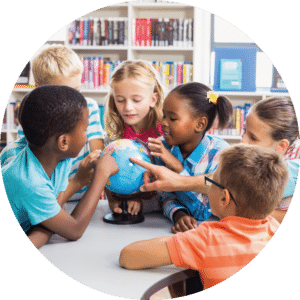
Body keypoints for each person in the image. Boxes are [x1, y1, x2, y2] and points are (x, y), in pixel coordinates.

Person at [120, 144, 288, 293]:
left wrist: (181, 241)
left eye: (211, 180)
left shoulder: (206, 239)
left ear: (224, 198)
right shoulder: (274, 228)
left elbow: (128, 257)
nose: (208, 184)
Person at [132, 96, 299, 224]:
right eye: (245, 132)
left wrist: (179, 180)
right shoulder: (259, 160)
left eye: (253, 138)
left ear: (281, 146)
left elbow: (230, 182)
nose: (243, 141)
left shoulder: (293, 169)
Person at [1, 85, 118, 249]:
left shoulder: (55, 156)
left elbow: (55, 204)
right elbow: (74, 230)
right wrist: (101, 175)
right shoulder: (29, 181)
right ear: (63, 142)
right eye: (85, 130)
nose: (87, 136)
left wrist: (78, 181)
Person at [15, 44, 105, 201]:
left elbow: (98, 155)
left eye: (77, 91)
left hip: (84, 200)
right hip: (47, 201)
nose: (75, 101)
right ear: (38, 91)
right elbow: (30, 177)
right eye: (64, 94)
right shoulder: (31, 116)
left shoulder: (89, 107)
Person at [147, 82, 233, 233]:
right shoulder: (162, 149)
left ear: (200, 124)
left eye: (172, 119)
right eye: (164, 115)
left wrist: (177, 167)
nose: (163, 122)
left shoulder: (219, 154)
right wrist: (179, 215)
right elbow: (166, 196)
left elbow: (202, 211)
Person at [104, 60, 165, 215]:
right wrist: (113, 201)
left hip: (161, 207)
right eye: (120, 100)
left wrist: (144, 203)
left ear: (153, 99)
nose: (128, 107)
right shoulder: (115, 136)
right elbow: (106, 175)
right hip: (126, 208)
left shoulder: (164, 133)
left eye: (136, 100)